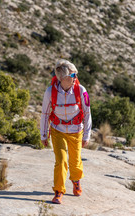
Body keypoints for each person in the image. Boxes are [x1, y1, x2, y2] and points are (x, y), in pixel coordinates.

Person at [40, 59, 92, 204]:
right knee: (61, 161)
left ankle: (76, 180)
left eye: (75, 75)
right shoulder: (50, 92)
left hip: (76, 131)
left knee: (75, 162)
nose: (76, 78)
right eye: (73, 76)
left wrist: (86, 135)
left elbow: (87, 113)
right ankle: (58, 191)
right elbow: (44, 113)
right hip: (58, 131)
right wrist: (44, 134)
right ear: (62, 79)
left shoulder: (81, 90)